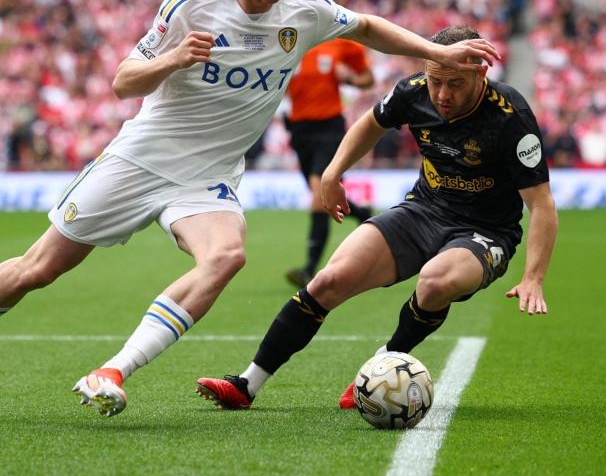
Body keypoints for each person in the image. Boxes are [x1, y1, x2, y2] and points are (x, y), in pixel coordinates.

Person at [0, 0, 500, 419]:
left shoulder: (303, 11)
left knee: (228, 255)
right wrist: (173, 59)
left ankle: (114, 371)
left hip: (207, 177)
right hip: (139, 160)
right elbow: (124, 82)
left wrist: (434, 51)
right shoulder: (192, 4)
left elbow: (366, 26)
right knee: (37, 269)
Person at [195, 25, 557, 411]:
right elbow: (370, 122)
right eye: (436, 81)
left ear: (479, 73)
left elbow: (542, 204)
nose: (443, 95)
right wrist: (334, 173)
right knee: (330, 279)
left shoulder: (510, 116)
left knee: (434, 283)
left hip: (486, 231)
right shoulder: (413, 91)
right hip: (424, 210)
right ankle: (246, 385)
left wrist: (533, 277)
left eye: (455, 84)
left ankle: (379, 369)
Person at [284, 37, 375, 287]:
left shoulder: (340, 44)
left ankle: (309, 269)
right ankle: (361, 213)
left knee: (317, 194)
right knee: (322, 197)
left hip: (329, 128)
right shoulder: (288, 39)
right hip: (299, 130)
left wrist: (349, 79)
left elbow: (368, 79)